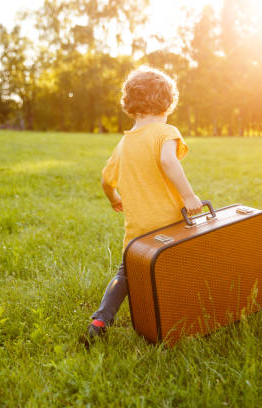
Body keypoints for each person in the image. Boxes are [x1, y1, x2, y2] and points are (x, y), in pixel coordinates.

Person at [84, 66, 203, 345]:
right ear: (167, 103)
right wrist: (188, 196)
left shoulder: (124, 143)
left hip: (137, 231)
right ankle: (183, 316)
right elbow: (168, 162)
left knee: (126, 274)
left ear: (130, 105)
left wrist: (114, 199)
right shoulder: (166, 131)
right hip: (170, 225)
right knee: (182, 265)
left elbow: (105, 179)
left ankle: (101, 319)